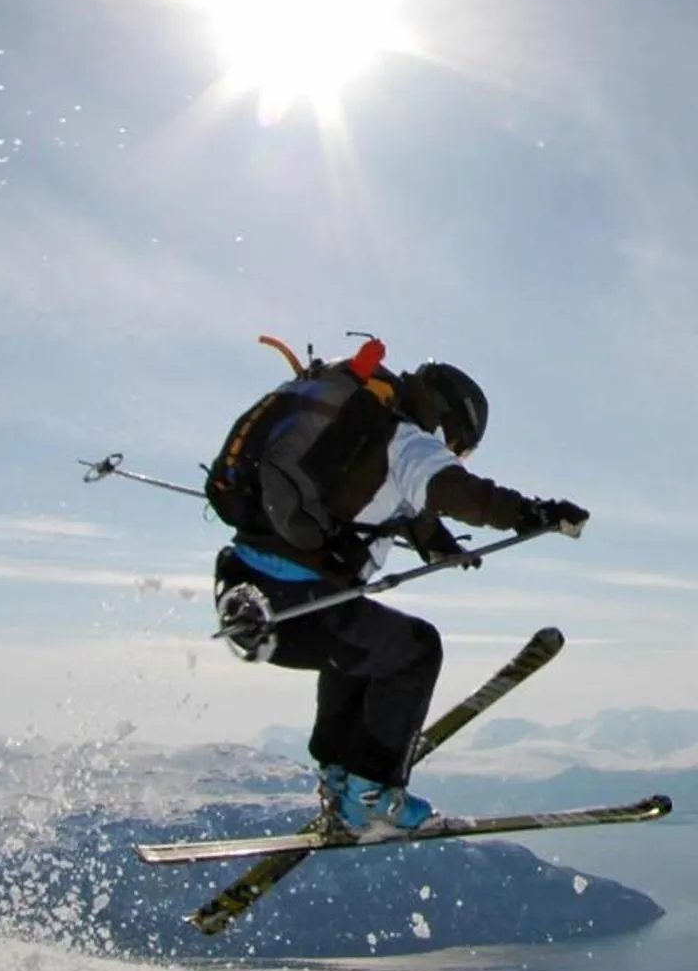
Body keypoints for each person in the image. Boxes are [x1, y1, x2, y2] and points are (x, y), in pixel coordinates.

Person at [212, 359, 587, 839]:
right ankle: (372, 797)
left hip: (242, 596)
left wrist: (441, 545)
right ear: (453, 420)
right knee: (416, 650)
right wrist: (533, 513)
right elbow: (452, 490)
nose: (453, 453)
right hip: (297, 608)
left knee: (357, 648)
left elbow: (398, 502)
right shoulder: (406, 439)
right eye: (459, 446)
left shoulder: (355, 430)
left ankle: (341, 777)